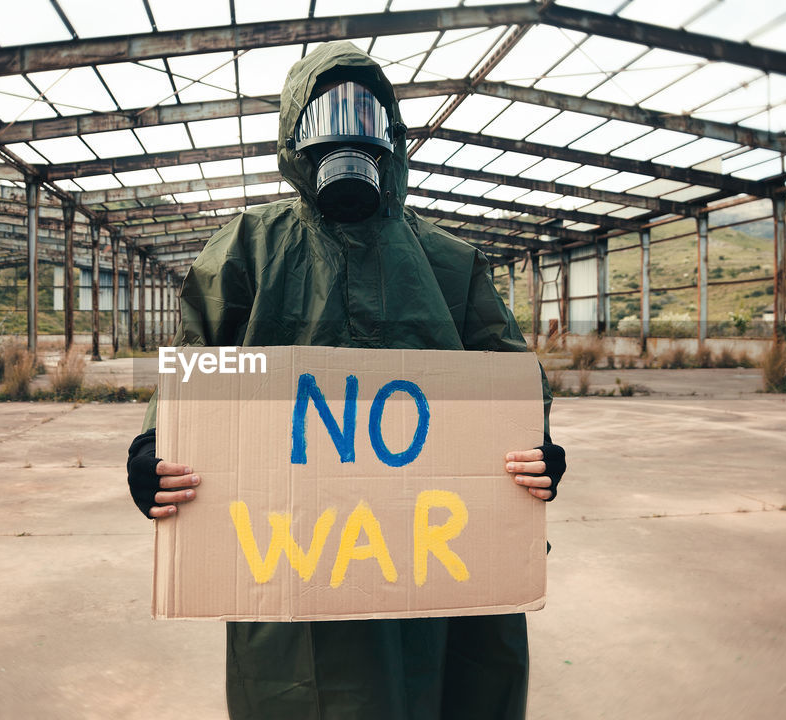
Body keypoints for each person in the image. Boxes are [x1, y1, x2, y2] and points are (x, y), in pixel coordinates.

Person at [126, 41, 567, 719]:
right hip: (295, 564)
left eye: (367, 109)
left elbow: (510, 382)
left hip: (435, 566)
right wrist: (156, 447)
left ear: (391, 136)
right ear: (295, 133)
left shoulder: (449, 262)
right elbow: (197, 363)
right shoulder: (247, 250)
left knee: (446, 689)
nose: (348, 126)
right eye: (328, 108)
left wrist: (535, 450)